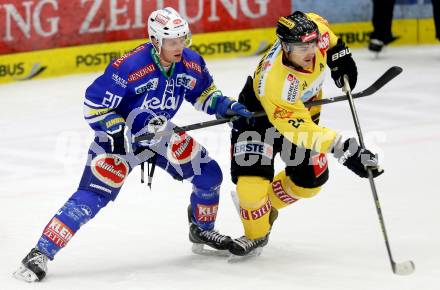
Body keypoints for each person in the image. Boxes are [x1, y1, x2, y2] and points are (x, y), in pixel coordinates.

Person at [13, 7, 252, 282]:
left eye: (182, 39)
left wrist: (225, 106)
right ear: (155, 41)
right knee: (92, 197)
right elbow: (94, 106)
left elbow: (204, 94)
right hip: (118, 141)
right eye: (172, 42)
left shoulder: (191, 62)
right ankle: (39, 252)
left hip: (159, 134)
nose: (179, 46)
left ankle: (202, 228)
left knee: (210, 175)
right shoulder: (128, 67)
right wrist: (114, 127)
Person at [228, 11, 383, 257]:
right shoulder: (276, 84)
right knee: (249, 190)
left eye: (311, 43)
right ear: (285, 47)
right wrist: (345, 149)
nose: (310, 52)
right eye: (302, 48)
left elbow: (327, 37)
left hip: (303, 107)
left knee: (310, 182)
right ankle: (255, 231)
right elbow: (303, 132)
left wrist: (340, 55)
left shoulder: (314, 32)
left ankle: (266, 205)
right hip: (258, 118)